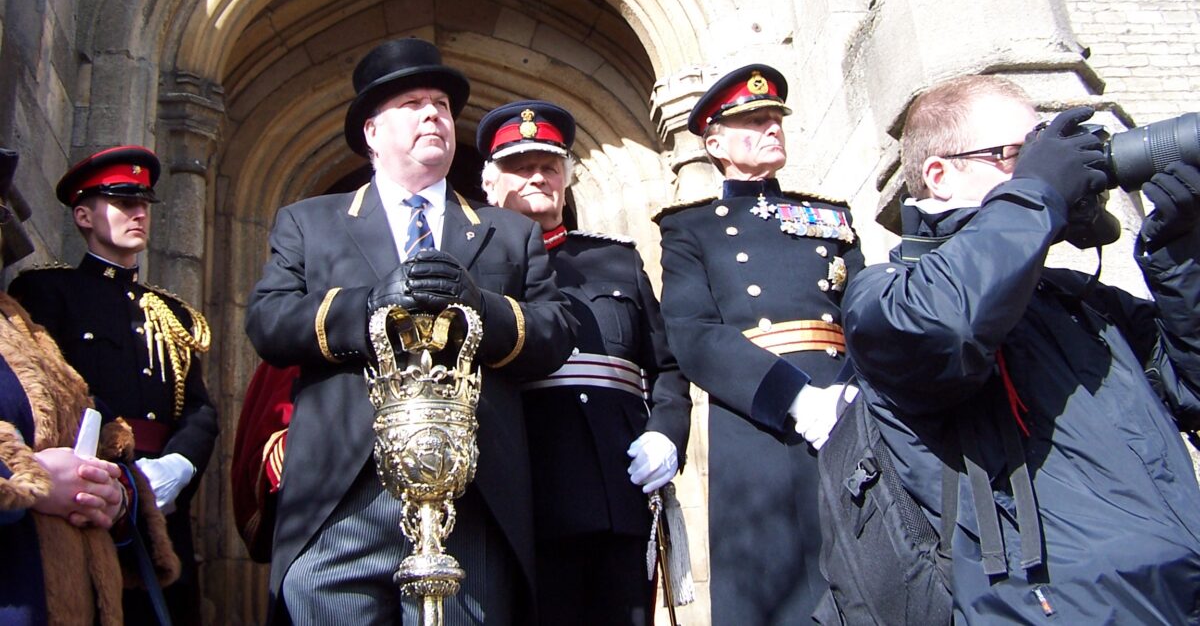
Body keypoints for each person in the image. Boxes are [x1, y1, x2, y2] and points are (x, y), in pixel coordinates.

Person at [842, 74, 1200, 622]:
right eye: (1020, 154)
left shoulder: (1078, 300)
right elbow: (944, 328)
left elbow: (1192, 390)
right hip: (1054, 608)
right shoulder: (886, 294)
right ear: (939, 176)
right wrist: (1037, 193)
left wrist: (1181, 260)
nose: (1053, 168)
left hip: (1179, 591)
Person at [245, 37, 576, 625]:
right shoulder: (310, 221)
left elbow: (554, 331)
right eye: (412, 104)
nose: (433, 115)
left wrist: (481, 309)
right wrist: (369, 305)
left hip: (472, 501)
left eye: (443, 106)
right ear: (371, 132)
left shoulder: (508, 232)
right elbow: (268, 322)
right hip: (341, 494)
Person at [654, 64, 863, 623]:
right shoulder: (689, 228)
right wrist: (795, 398)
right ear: (715, 143)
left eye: (775, 119)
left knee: (873, 562)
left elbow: (865, 310)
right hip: (759, 416)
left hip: (848, 407)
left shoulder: (829, 218)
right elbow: (693, 332)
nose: (771, 129)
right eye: (753, 122)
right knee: (777, 586)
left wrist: (851, 392)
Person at [477, 100, 692, 626]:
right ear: (490, 184)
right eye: (519, 167)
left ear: (566, 180)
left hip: (616, 489)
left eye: (548, 166)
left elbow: (665, 365)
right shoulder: (475, 262)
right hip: (523, 490)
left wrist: (668, 432)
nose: (537, 178)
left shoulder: (614, 258)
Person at [9, 145, 217, 625]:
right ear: (83, 214)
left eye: (143, 203)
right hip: (86, 493)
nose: (138, 213)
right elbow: (42, 384)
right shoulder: (45, 293)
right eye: (123, 202)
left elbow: (199, 409)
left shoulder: (173, 313)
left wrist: (178, 467)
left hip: (162, 504)